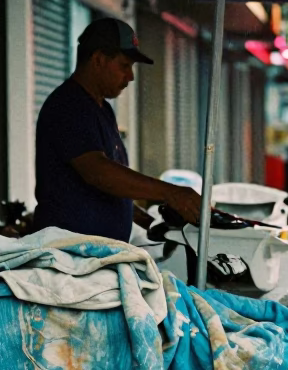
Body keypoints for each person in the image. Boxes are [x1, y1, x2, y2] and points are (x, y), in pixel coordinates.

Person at [34, 17, 203, 241]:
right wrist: (170, 192)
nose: (131, 76)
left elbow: (110, 190)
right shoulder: (68, 106)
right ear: (98, 60)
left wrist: (151, 223)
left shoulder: (103, 110)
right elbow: (98, 172)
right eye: (124, 66)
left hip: (95, 254)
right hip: (67, 256)